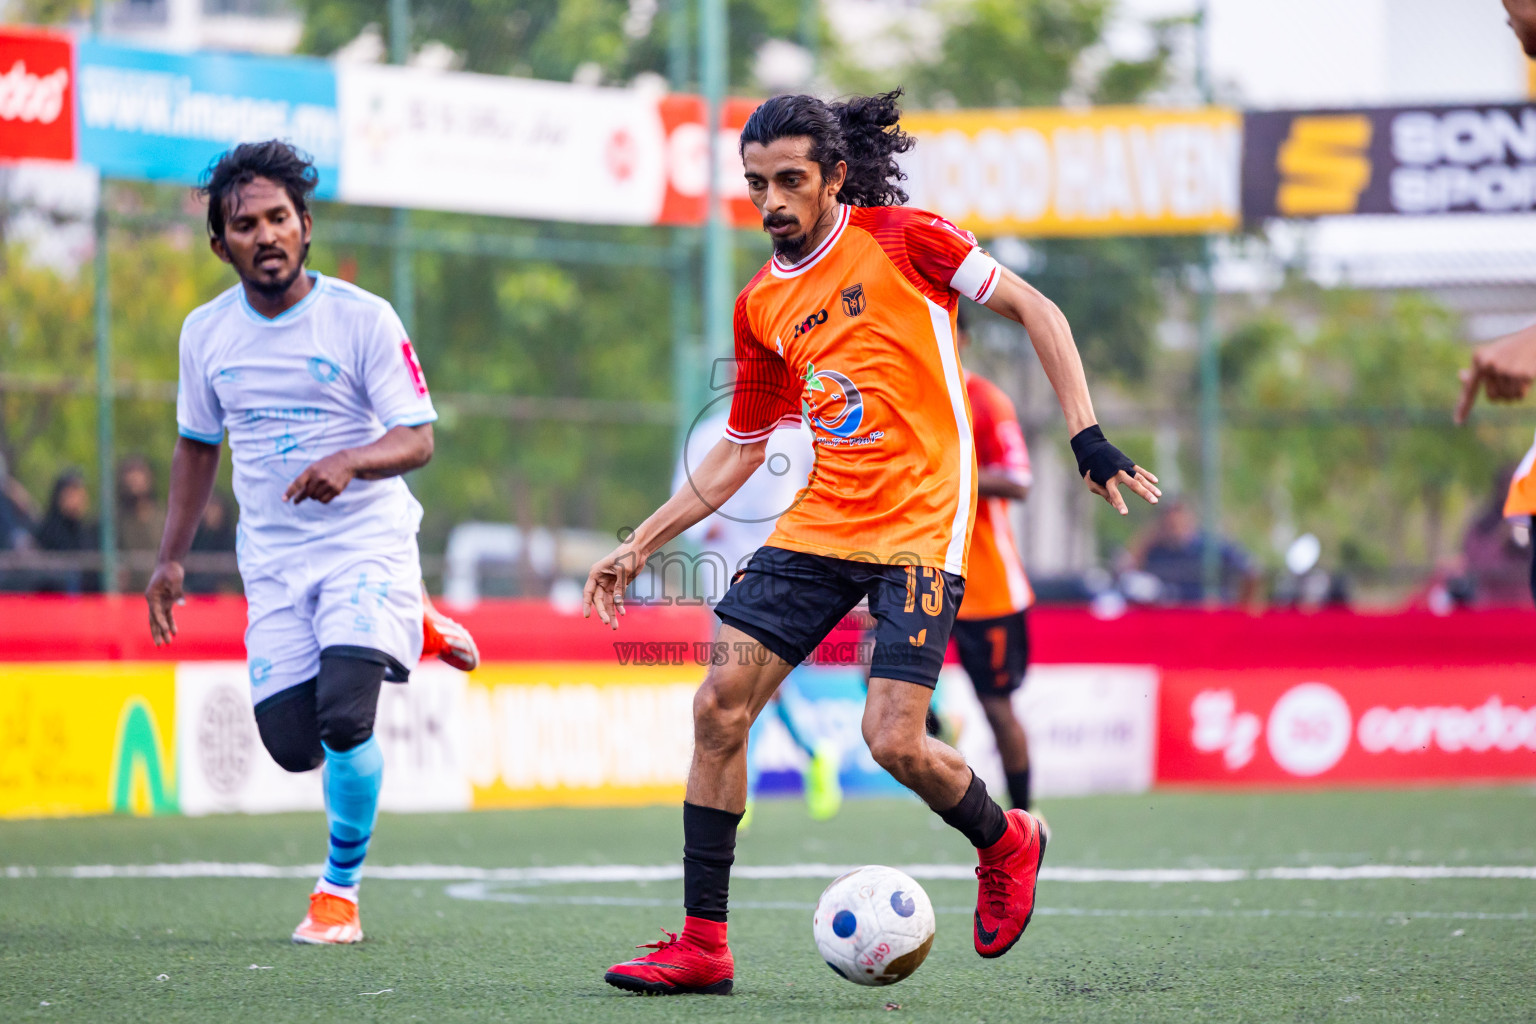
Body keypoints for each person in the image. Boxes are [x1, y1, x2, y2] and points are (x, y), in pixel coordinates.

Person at [583, 90, 1158, 995]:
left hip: (923, 530)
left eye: (791, 181)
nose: (771, 201)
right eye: (756, 184)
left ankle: (1006, 840)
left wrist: (1086, 435)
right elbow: (739, 451)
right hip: (821, 525)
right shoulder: (760, 308)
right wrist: (640, 542)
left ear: (835, 176)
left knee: (894, 741)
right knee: (716, 707)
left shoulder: (908, 239)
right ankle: (703, 943)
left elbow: (1040, 312)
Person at [144, 140, 475, 948]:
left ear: (306, 226)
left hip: (366, 542)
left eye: (279, 218)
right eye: (246, 224)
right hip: (277, 561)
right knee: (293, 747)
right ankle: (418, 621)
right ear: (222, 244)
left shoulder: (361, 318)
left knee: (342, 715)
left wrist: (351, 461)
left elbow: (418, 439)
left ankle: (338, 893)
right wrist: (170, 556)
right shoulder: (205, 335)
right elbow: (195, 446)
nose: (266, 235)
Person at [672, 409, 840, 826]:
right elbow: (689, 504)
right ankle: (810, 753)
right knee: (737, 689)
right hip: (729, 583)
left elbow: (822, 492)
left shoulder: (801, 435)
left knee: (753, 686)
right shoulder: (709, 435)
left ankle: (746, 784)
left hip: (788, 575)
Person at [950, 309, 1037, 814]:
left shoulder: (985, 400)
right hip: (923, 577)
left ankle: (1024, 815)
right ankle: (937, 731)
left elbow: (1019, 480)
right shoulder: (906, 398)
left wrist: (953, 472)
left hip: (988, 590)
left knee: (999, 711)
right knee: (877, 673)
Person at [1133, 498, 1259, 606]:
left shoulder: (1211, 546)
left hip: (1209, 616)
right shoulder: (1156, 550)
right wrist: (1145, 539)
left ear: (1190, 519)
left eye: (1179, 520)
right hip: (1171, 619)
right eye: (1169, 523)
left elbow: (1251, 571)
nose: (1174, 525)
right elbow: (1127, 573)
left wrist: (1240, 610)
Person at [34, 469, 97, 594]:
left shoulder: (89, 531)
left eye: (79, 494)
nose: (76, 500)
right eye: (70, 495)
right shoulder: (48, 530)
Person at [117, 455, 166, 594]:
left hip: (160, 593)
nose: (134, 479)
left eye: (139, 473)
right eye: (130, 474)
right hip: (129, 595)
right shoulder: (118, 521)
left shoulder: (163, 516)